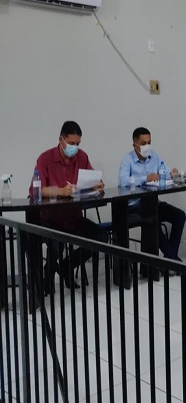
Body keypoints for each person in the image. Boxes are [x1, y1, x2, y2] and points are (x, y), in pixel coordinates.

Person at [32, 121, 107, 290]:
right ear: (61, 139)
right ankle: (47, 279)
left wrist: (97, 184)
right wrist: (60, 191)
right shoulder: (45, 158)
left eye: (78, 144)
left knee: (100, 237)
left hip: (74, 218)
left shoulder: (82, 157)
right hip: (51, 220)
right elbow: (36, 190)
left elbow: (92, 179)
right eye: (72, 143)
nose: (75, 148)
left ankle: (67, 266)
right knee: (56, 244)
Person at [118, 127, 186, 262]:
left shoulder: (154, 156)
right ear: (134, 145)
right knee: (152, 217)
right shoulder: (127, 160)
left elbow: (164, 171)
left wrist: (172, 173)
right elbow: (122, 181)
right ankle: (173, 260)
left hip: (152, 203)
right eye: (143, 143)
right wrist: (145, 178)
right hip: (134, 205)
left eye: (149, 142)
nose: (147, 146)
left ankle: (169, 259)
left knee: (179, 216)